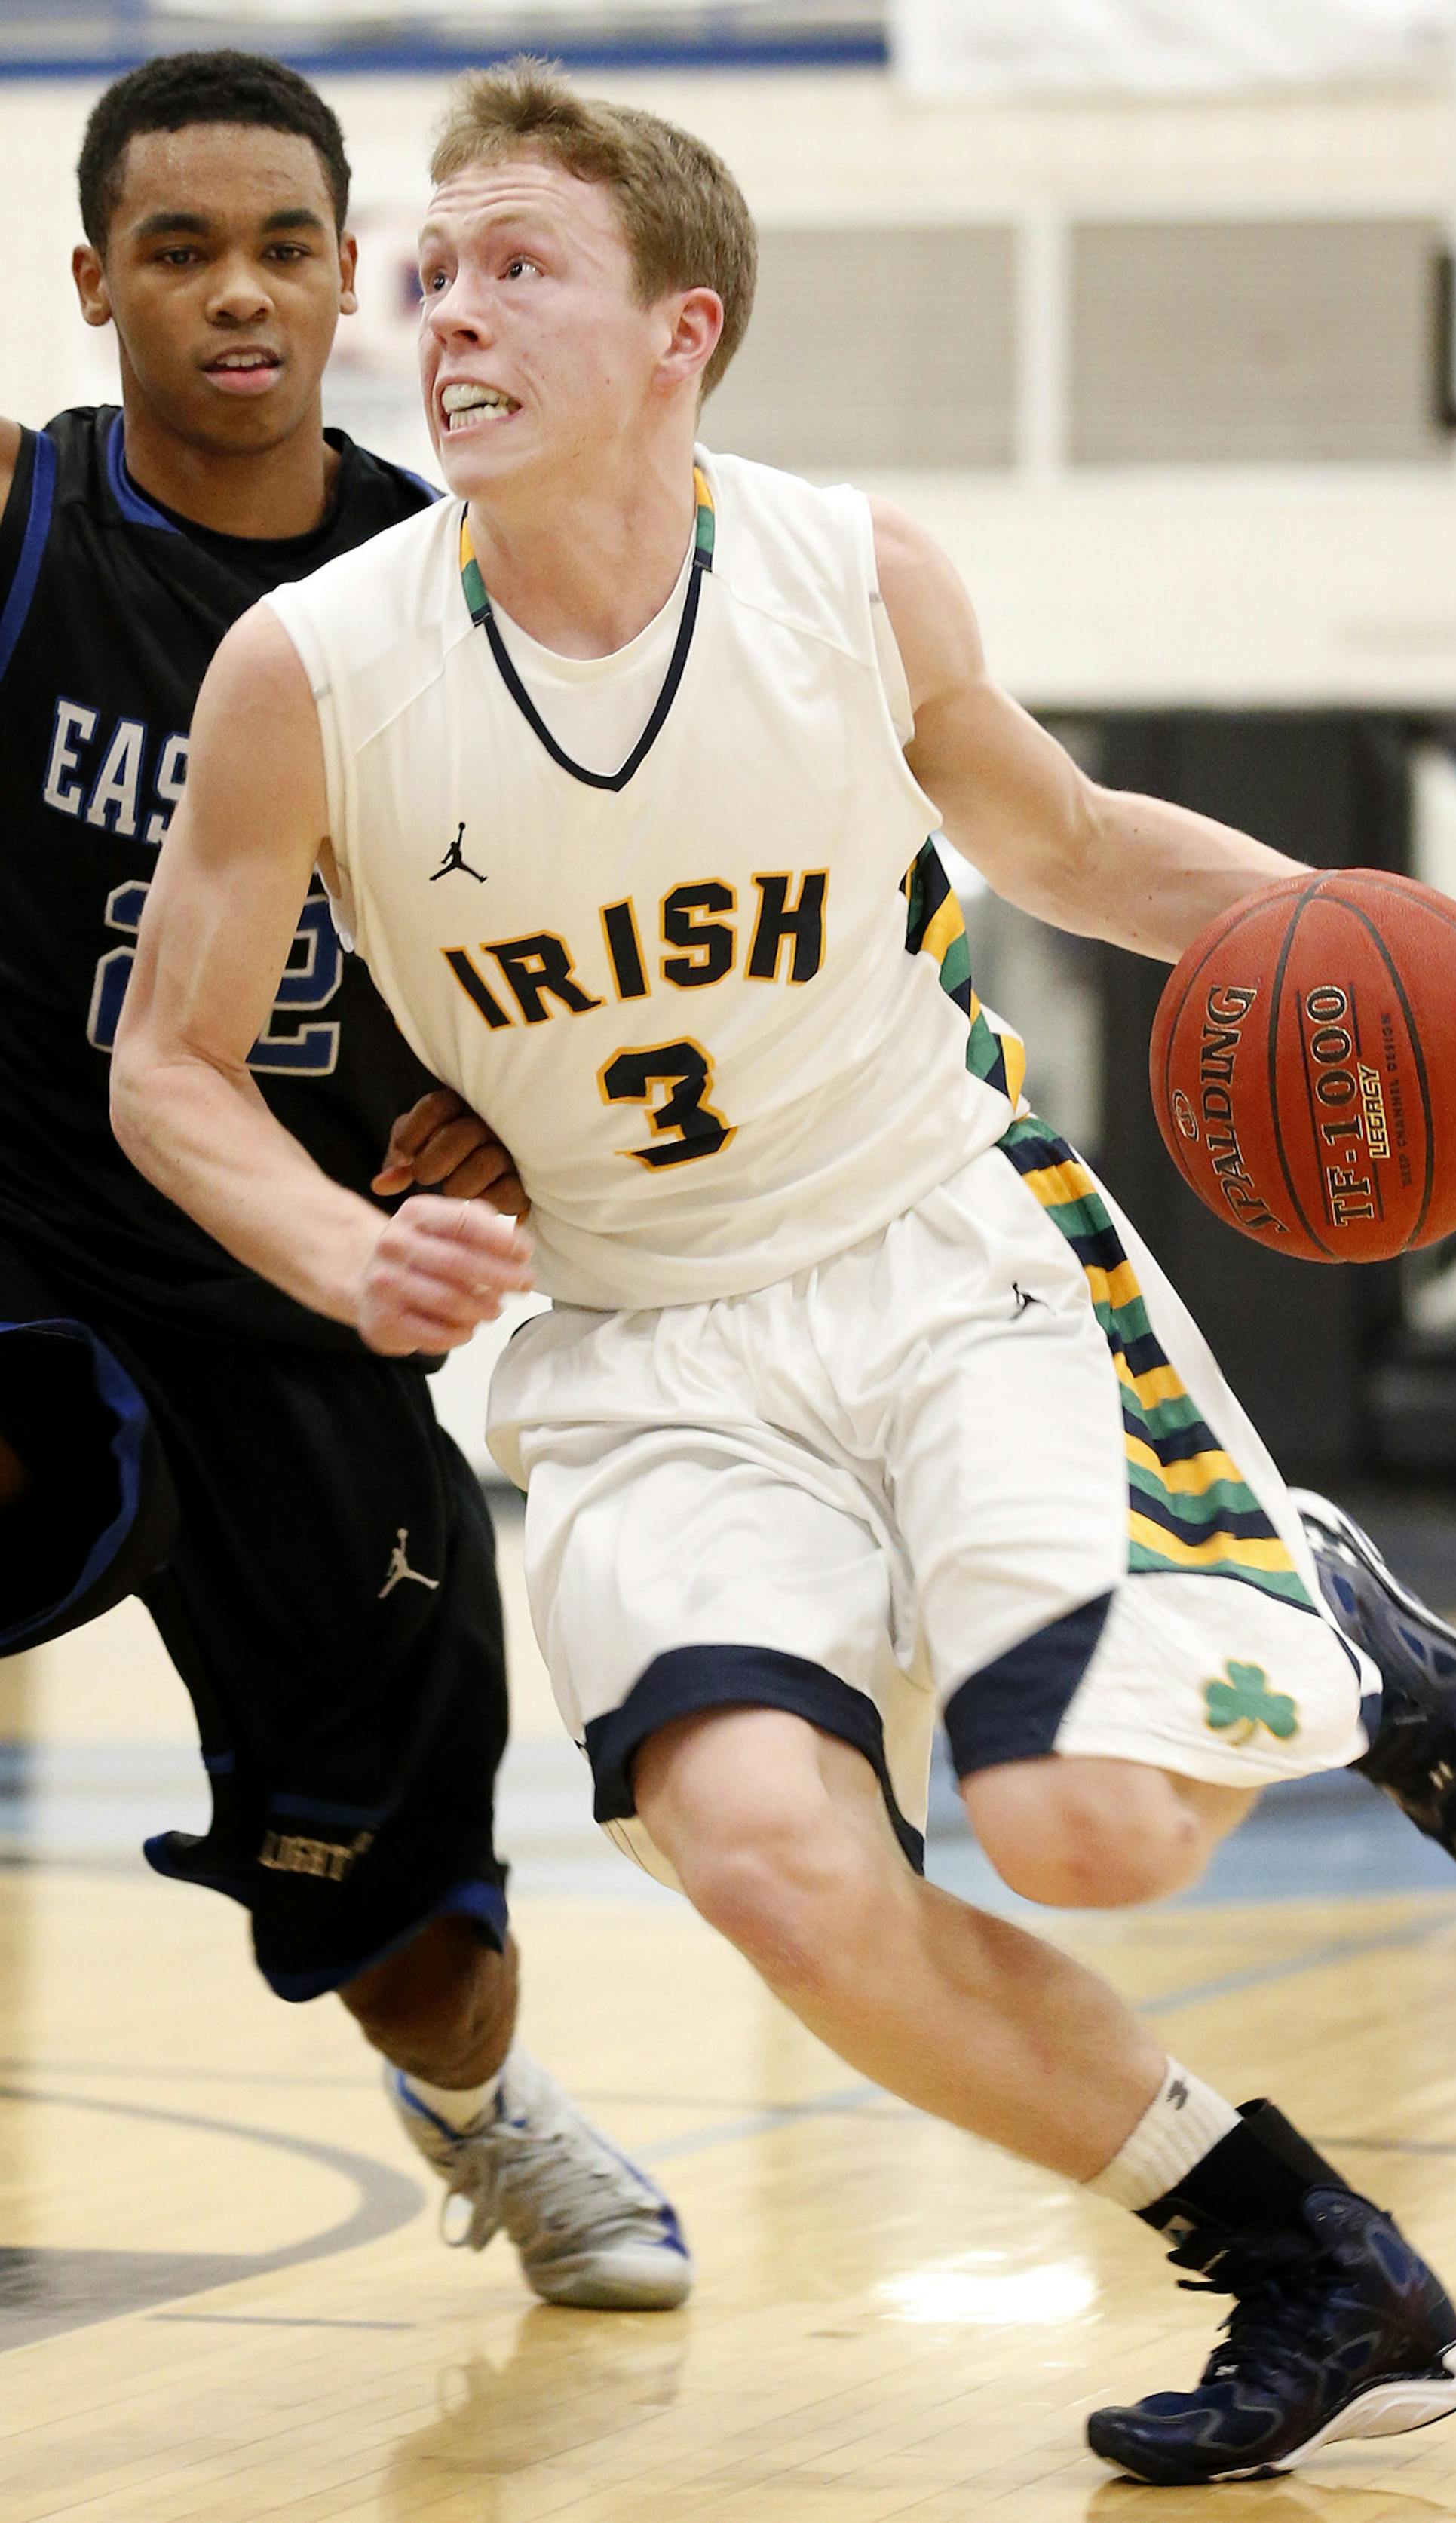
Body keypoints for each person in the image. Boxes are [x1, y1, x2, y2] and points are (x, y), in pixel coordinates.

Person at [112, 61, 1456, 2485]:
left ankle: (1322, 1617)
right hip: (634, 1348)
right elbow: (167, 1067)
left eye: (515, 264)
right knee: (785, 1870)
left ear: (681, 329)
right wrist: (345, 1242)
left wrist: (1436, 952)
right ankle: (1309, 2252)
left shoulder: (843, 569)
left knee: (1079, 1825)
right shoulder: (312, 666)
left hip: (941, 1254)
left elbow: (1084, 840)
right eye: (436, 264)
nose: (446, 307)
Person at [0, 50, 689, 2314]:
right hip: (32, 1252)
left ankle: (492, 2115)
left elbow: (595, 949)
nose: (237, 294)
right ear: (92, 279)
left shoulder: (460, 587)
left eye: (285, 245)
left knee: (414, 1935)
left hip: (303, 1302)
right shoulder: (27, 525)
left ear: (351, 276)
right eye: (179, 248)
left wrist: (516, 1102)